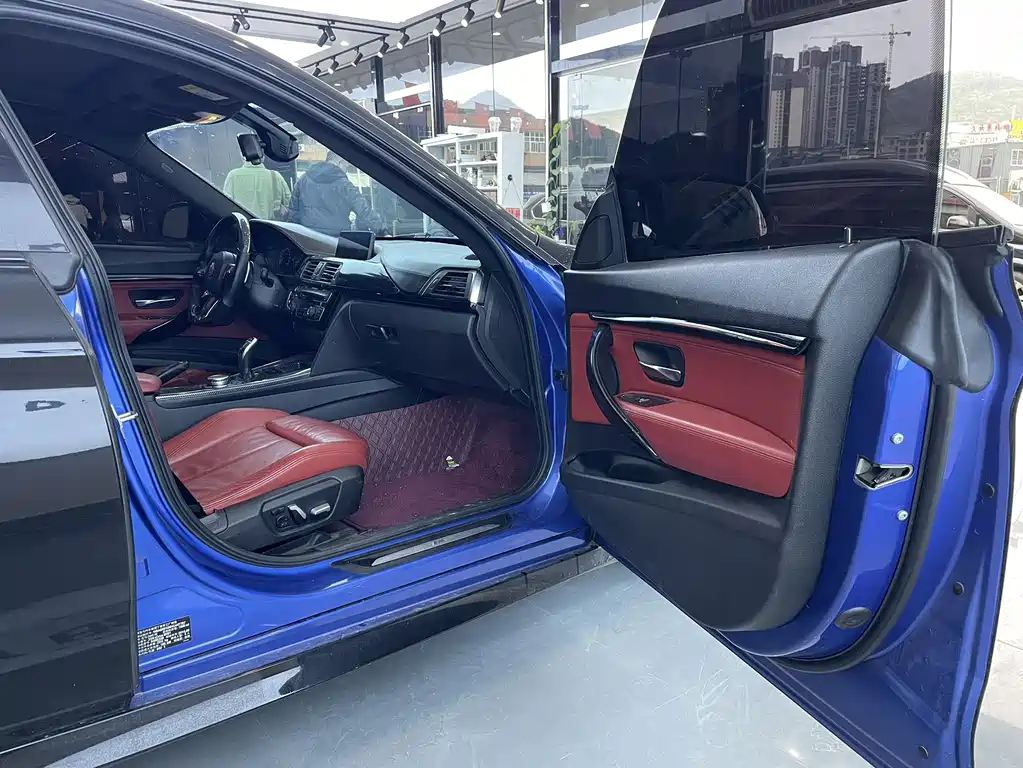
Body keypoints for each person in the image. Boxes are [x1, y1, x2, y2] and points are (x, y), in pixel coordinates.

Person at [287, 151, 385, 235]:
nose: (345, 171)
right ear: (340, 162)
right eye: (346, 167)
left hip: (309, 239)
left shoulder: (303, 180)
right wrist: (381, 230)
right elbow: (364, 211)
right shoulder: (345, 185)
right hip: (336, 241)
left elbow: (293, 213)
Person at [222, 151, 291, 220]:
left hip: (243, 225)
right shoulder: (276, 177)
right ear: (263, 157)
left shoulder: (233, 176)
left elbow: (226, 206)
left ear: (242, 156)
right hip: (268, 225)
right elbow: (290, 206)